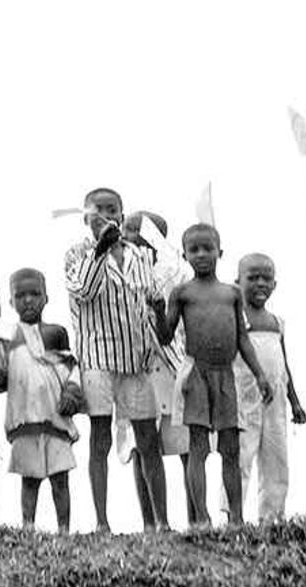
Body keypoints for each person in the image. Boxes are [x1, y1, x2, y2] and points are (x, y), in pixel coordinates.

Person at [152, 223, 272, 527]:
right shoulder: (181, 293)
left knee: (231, 447)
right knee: (199, 447)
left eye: (208, 248)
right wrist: (156, 312)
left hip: (226, 375)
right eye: (194, 249)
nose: (202, 254)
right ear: (185, 255)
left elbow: (242, 339)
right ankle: (202, 517)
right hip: (196, 374)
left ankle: (237, 517)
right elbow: (166, 337)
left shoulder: (232, 293)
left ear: (220, 251)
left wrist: (259, 374)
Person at [63, 188, 168, 532]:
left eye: (113, 211)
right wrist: (101, 249)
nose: (107, 216)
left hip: (136, 360)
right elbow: (84, 291)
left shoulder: (140, 256)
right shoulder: (77, 253)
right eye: (99, 211)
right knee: (100, 438)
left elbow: (151, 300)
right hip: (98, 360)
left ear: (123, 217)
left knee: (148, 438)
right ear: (86, 218)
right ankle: (102, 522)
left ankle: (160, 523)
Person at [0, 268, 83, 533]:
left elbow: (70, 369)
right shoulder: (6, 336)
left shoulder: (57, 332)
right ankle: (28, 528)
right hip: (24, 418)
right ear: (11, 302)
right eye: (20, 296)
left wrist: (71, 395)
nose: (28, 300)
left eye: (34, 294)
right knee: (29, 480)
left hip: (55, 417)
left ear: (46, 298)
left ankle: (64, 530)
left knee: (60, 478)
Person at [115, 211, 187, 532]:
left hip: (172, 367)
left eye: (135, 229)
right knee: (141, 445)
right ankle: (153, 522)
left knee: (185, 444)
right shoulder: (119, 271)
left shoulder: (173, 274)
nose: (127, 234)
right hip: (135, 368)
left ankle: (196, 517)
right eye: (125, 228)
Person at [233, 253, 306, 522]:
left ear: (275, 284)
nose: (260, 283)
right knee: (241, 454)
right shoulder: (236, 318)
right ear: (237, 282)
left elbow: (284, 364)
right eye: (253, 278)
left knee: (276, 456)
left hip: (275, 399)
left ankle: (273, 515)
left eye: (267, 278)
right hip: (244, 395)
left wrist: (295, 401)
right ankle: (233, 514)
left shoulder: (277, 322)